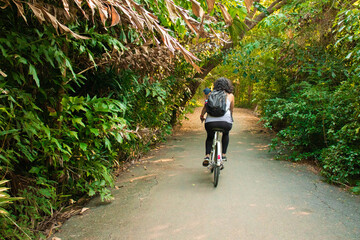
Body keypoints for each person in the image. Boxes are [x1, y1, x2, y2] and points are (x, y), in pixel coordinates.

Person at [200, 77, 234, 167]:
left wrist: (201, 116)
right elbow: (231, 110)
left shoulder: (210, 94)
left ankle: (207, 156)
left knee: (210, 137)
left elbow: (205, 107)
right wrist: (230, 118)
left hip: (210, 123)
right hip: (225, 123)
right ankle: (223, 155)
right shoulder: (230, 95)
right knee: (225, 134)